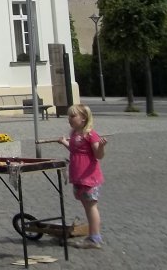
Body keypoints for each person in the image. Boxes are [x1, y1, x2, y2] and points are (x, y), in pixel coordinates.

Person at [58, 103, 107, 249]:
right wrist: (64, 142)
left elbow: (98, 155)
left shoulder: (90, 134)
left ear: (84, 118)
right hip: (78, 175)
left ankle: (95, 238)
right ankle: (93, 235)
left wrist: (102, 146)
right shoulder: (74, 134)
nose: (70, 119)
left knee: (91, 206)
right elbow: (74, 150)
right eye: (69, 116)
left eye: (73, 116)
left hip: (89, 177)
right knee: (87, 206)